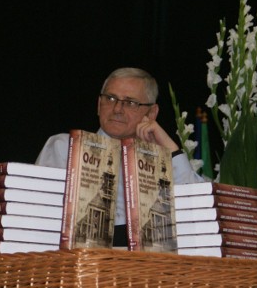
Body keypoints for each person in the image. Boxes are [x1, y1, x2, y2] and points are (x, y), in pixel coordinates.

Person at [36, 67, 205, 245]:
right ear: (98, 105)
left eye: (130, 103)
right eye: (110, 98)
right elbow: (41, 216)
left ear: (152, 113)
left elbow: (200, 213)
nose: (117, 108)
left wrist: (172, 150)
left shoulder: (158, 163)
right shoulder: (66, 147)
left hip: (146, 267)